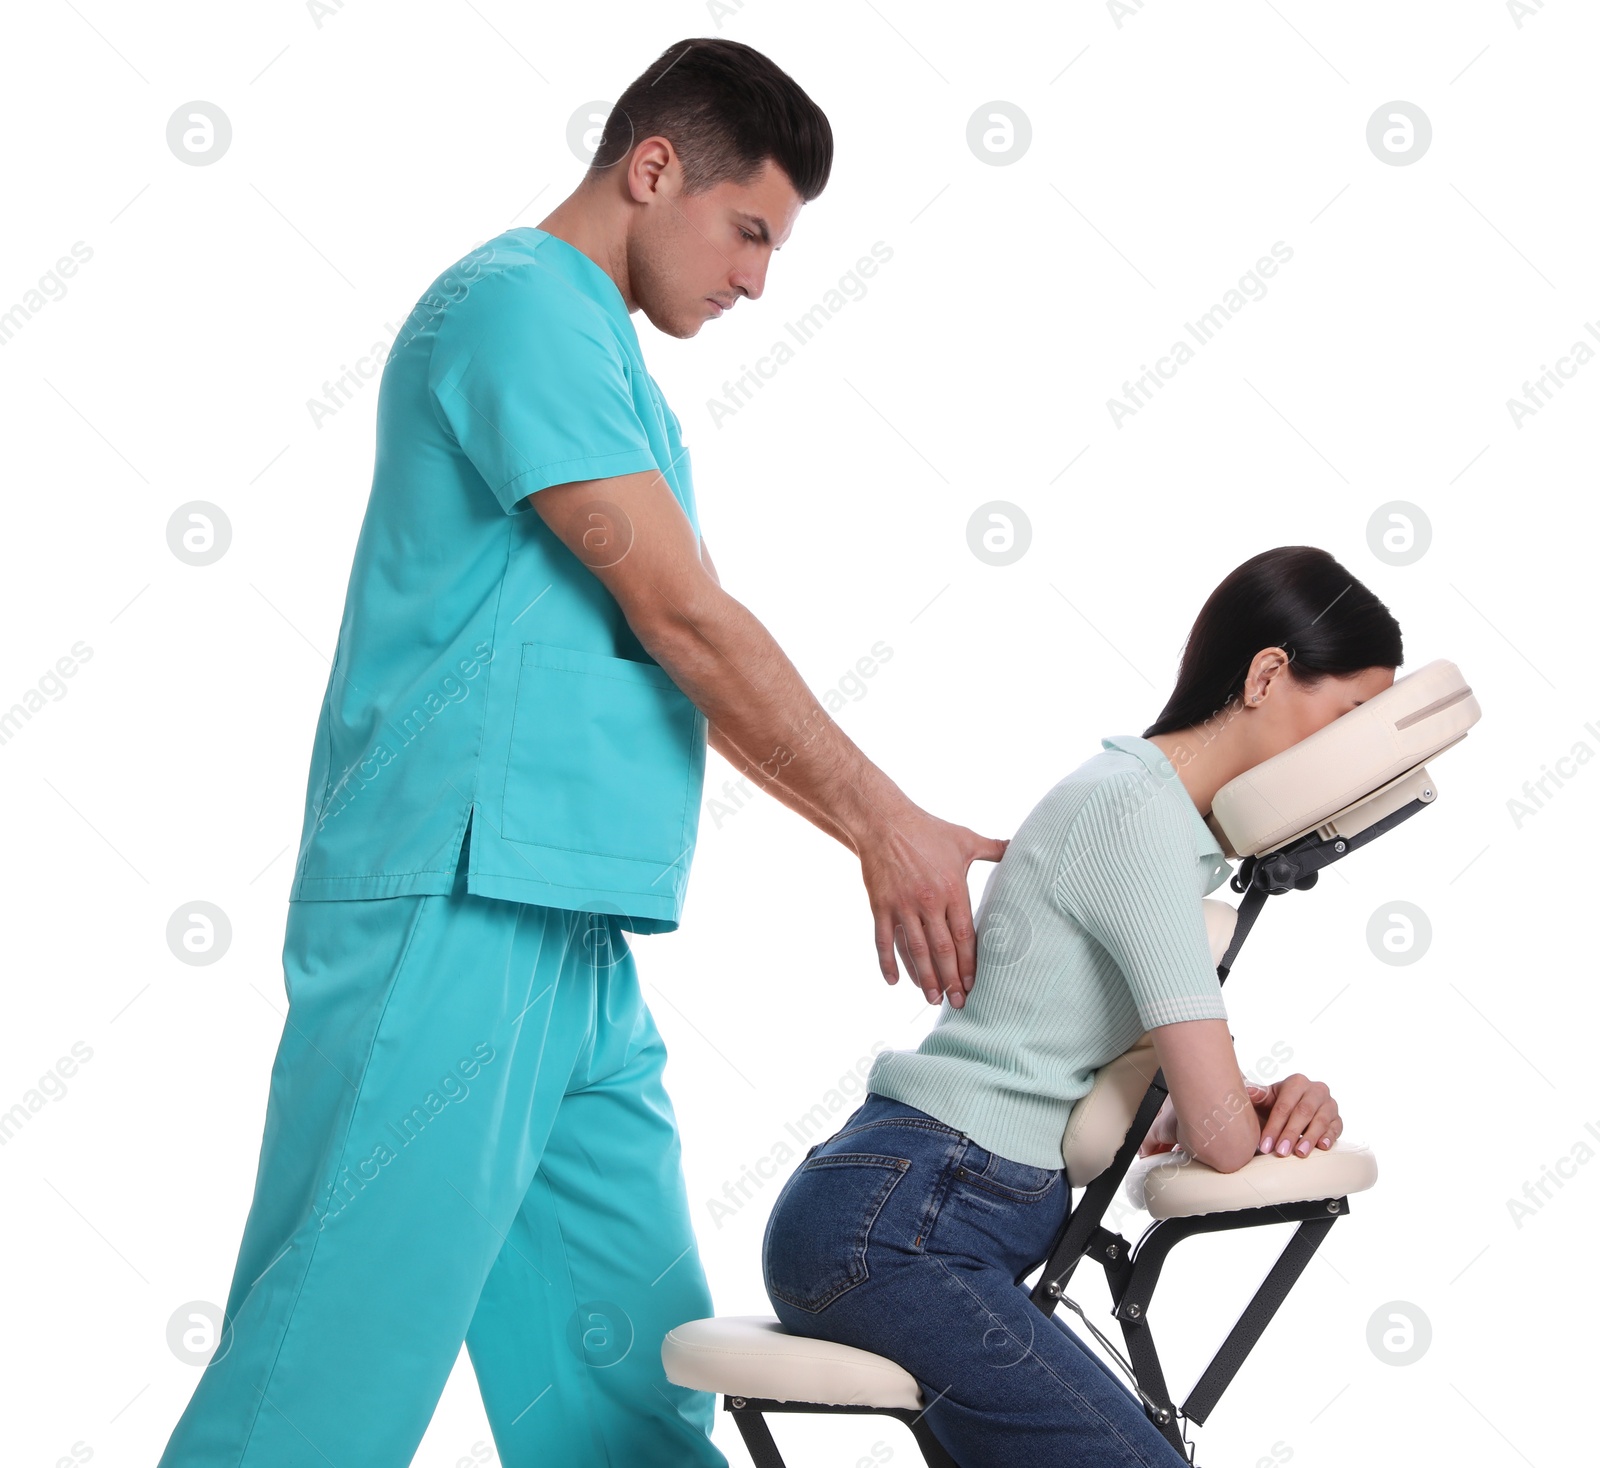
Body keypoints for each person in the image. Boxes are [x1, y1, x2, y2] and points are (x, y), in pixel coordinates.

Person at [156, 37, 1005, 1468]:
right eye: (749, 231)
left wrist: (874, 824)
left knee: (623, 1388)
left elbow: (689, 662)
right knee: (324, 1372)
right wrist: (878, 819)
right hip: (454, 902)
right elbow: (682, 614)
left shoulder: (607, 362)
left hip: (569, 936)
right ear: (651, 167)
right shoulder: (517, 312)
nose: (755, 281)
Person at [760, 545, 1401, 1468]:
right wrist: (1234, 1117)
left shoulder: (1155, 821)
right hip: (904, 1221)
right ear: (1268, 674)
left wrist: (1264, 1099)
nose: (1348, 757)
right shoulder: (1136, 816)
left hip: (917, 1211)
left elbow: (1144, 1101)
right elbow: (1218, 1142)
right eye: (1347, 717)